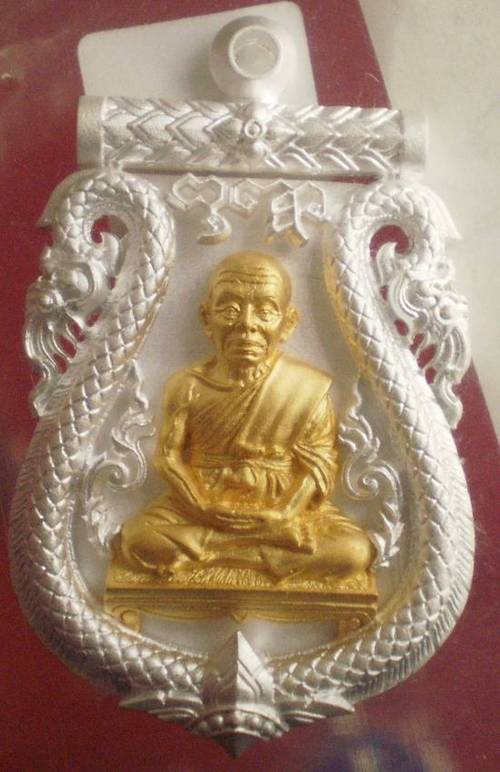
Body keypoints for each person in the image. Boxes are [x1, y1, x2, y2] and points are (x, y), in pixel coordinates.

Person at [113, 251, 375, 583]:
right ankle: (259, 552)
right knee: (135, 538)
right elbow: (168, 457)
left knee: (354, 550)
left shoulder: (306, 387)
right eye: (230, 309)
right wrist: (202, 505)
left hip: (284, 506)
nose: (247, 324)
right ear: (207, 319)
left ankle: (215, 550)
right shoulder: (187, 385)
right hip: (200, 504)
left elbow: (320, 464)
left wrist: (285, 513)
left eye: (265, 311)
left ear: (287, 323)